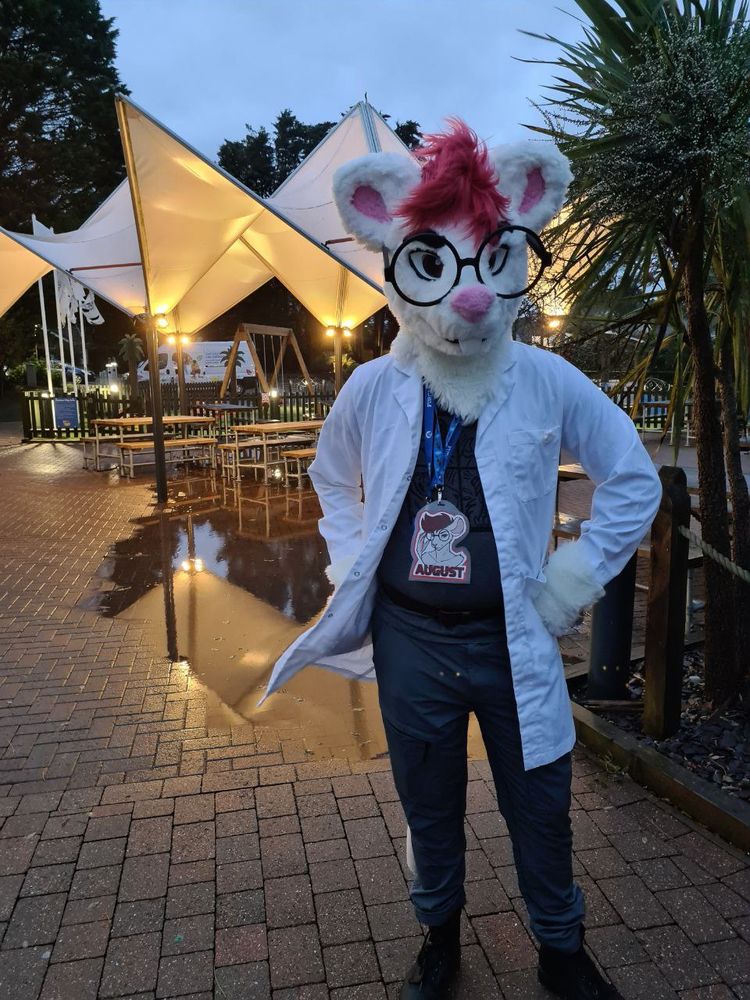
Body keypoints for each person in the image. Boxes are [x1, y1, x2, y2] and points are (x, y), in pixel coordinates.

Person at [261, 120, 662, 1000]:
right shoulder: (374, 387)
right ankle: (437, 937)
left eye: (489, 261)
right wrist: (349, 561)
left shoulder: (548, 379)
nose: (470, 296)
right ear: (399, 262)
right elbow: (330, 476)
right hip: (411, 637)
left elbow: (633, 479)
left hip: (511, 635)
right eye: (437, 263)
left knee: (541, 802)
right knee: (427, 800)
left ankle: (561, 949)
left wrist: (571, 581)